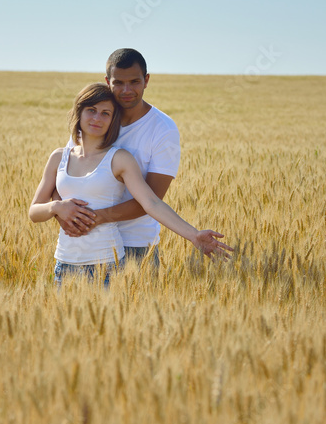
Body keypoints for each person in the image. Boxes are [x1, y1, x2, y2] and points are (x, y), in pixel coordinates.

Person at [29, 83, 226, 286]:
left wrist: (193, 235)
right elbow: (34, 212)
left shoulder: (119, 159)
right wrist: (56, 207)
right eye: (91, 110)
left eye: (105, 113)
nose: (97, 118)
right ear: (78, 113)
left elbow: (151, 203)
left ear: (113, 120)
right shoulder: (59, 157)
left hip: (107, 265)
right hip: (64, 266)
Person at [55, 48, 234, 266]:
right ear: (107, 81)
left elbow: (151, 200)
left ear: (146, 80)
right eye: (118, 83)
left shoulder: (162, 129)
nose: (126, 90)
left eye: (134, 81)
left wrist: (94, 218)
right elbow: (64, 175)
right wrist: (62, 214)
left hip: (135, 246)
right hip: (85, 246)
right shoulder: (96, 121)